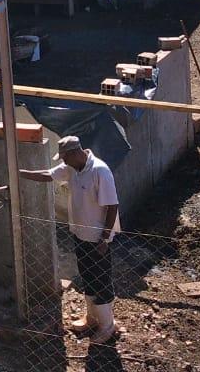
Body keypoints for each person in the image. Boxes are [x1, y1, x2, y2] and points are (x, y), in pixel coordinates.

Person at [20, 135, 121, 344]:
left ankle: (107, 326)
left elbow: (112, 206)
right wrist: (20, 173)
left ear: (76, 153)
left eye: (64, 157)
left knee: (101, 280)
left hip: (97, 239)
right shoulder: (72, 168)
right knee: (87, 276)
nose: (62, 162)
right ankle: (92, 319)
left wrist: (104, 238)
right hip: (80, 234)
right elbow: (49, 175)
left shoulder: (99, 171)